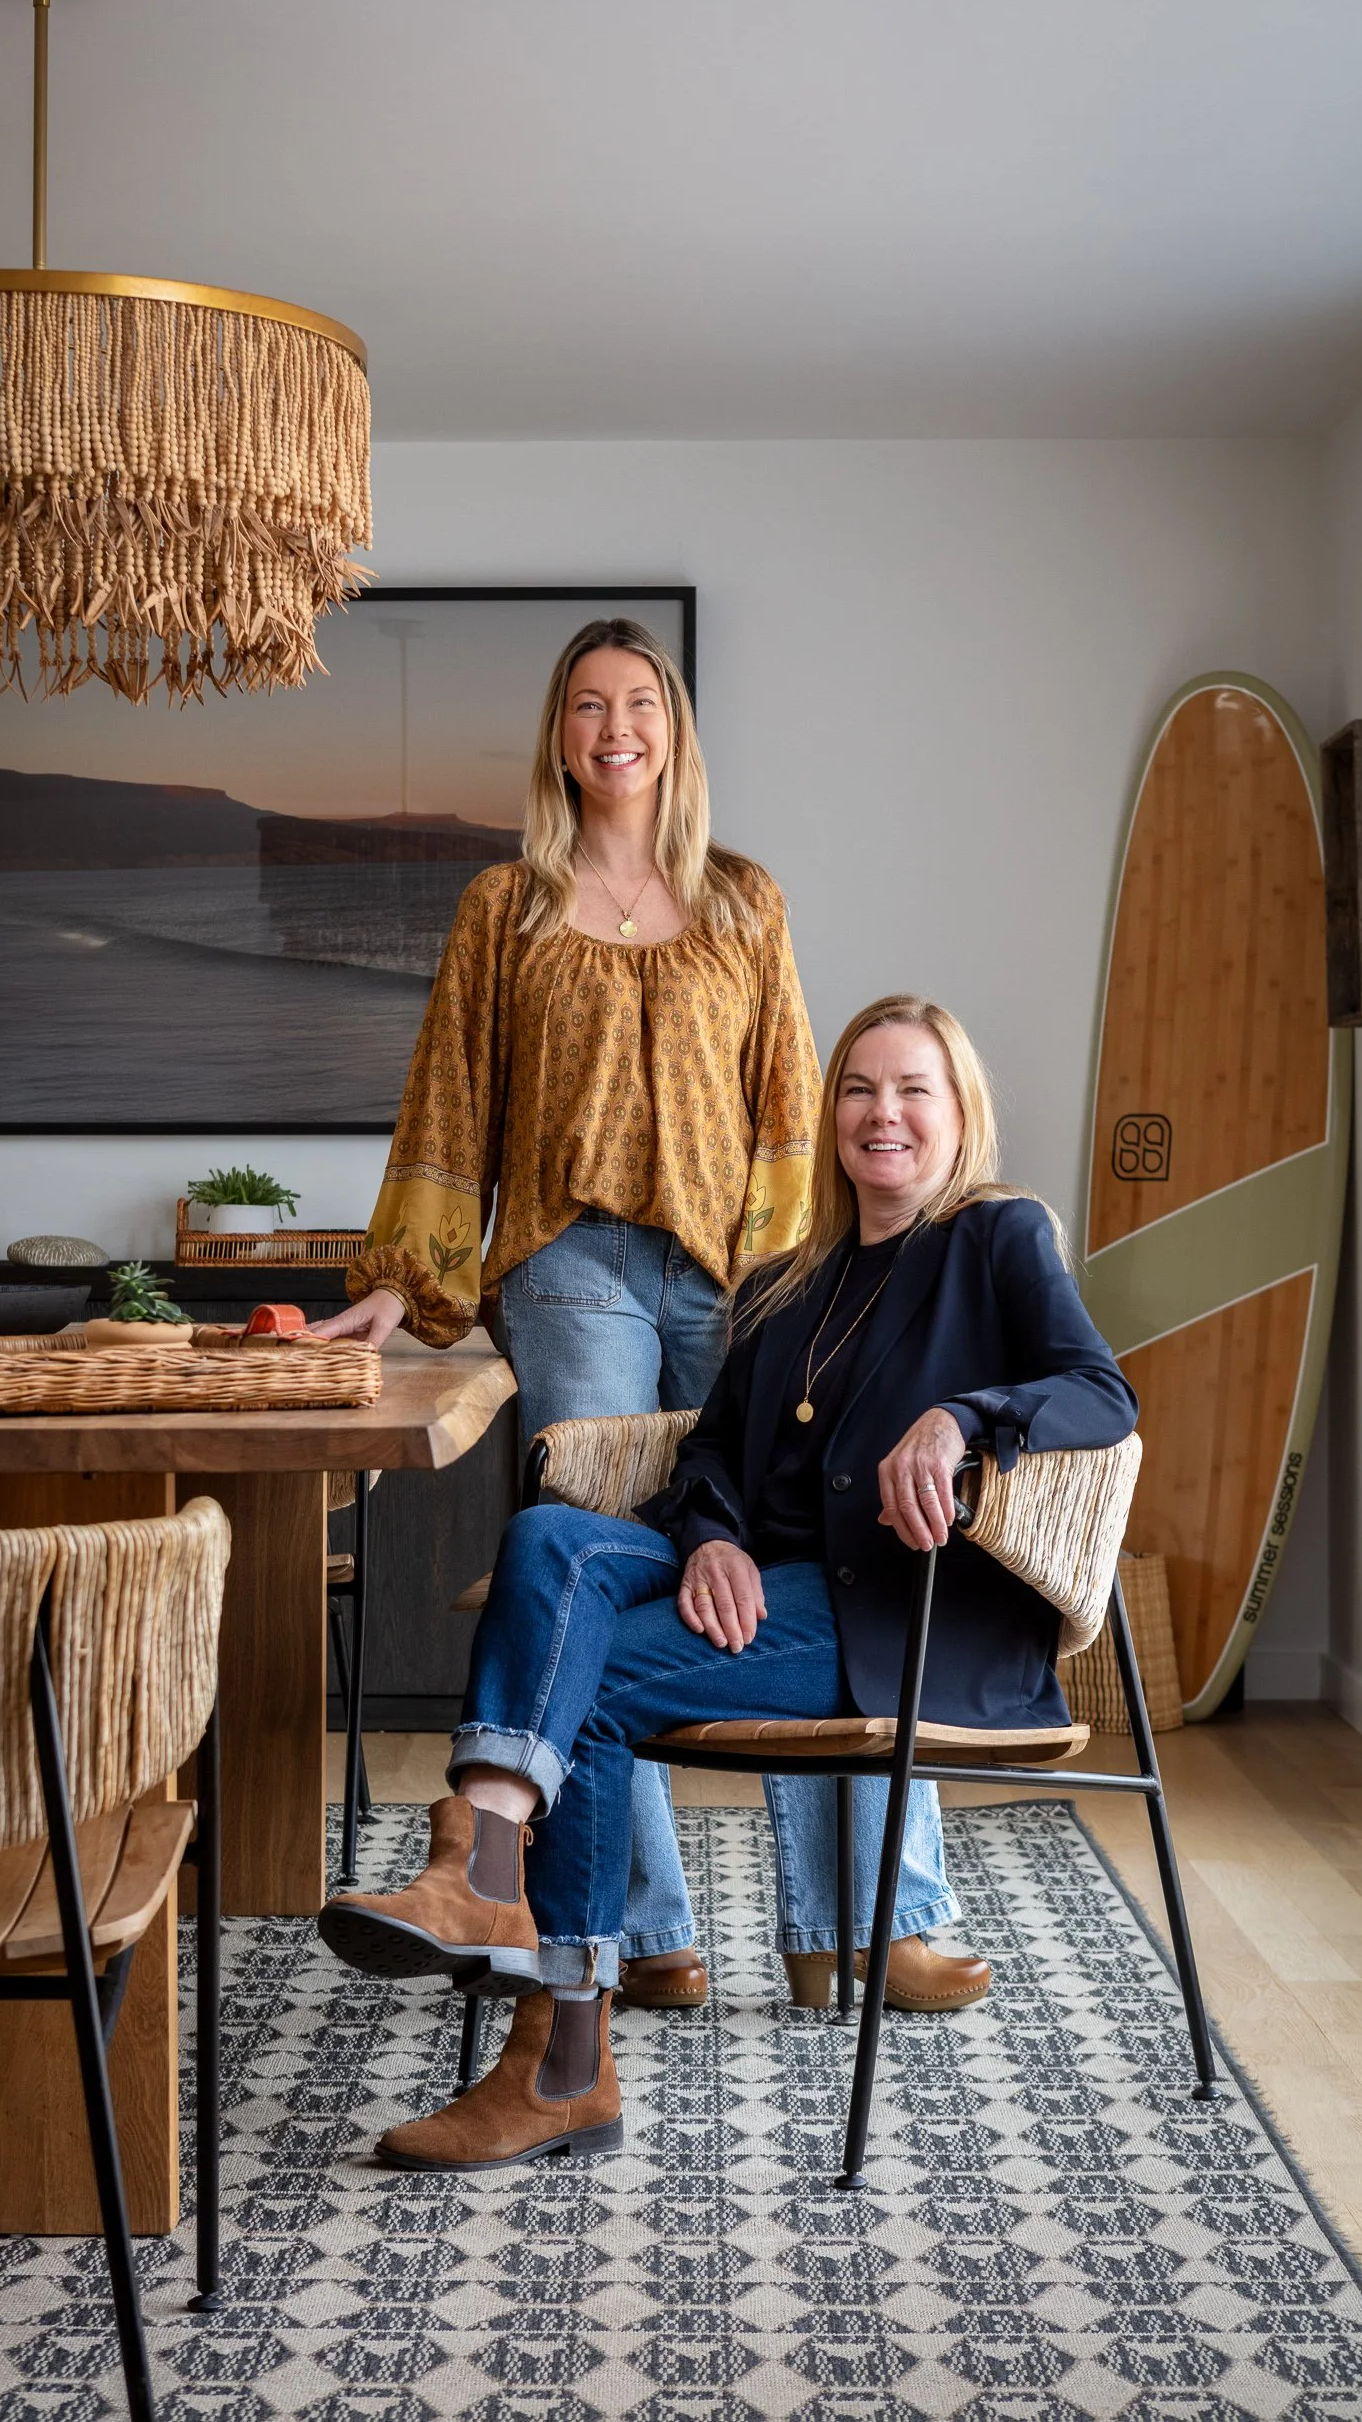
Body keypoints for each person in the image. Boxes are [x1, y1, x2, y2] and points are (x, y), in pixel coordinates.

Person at [318, 994, 1138, 2170]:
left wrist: (958, 1419)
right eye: (858, 1088)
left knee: (588, 1685)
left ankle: (558, 2057)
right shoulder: (789, 1282)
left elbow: (1100, 1392)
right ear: (829, 1114)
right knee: (548, 1537)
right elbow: (708, 1448)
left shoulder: (994, 1238)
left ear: (959, 1113)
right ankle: (484, 1864)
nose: (882, 1112)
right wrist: (710, 1537)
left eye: (912, 1089)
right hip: (753, 1574)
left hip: (883, 1608)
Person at [312, 616, 943, 2009]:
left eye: (640, 702)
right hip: (569, 1269)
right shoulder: (503, 906)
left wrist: (812, 1287)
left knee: (800, 1547)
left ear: (673, 729)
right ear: (558, 735)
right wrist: (399, 1278)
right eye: (588, 705)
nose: (616, 728)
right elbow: (449, 1096)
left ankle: (855, 1922)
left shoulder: (743, 900)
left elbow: (789, 1101)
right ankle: (646, 1927)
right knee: (605, 1563)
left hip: (742, 1276)